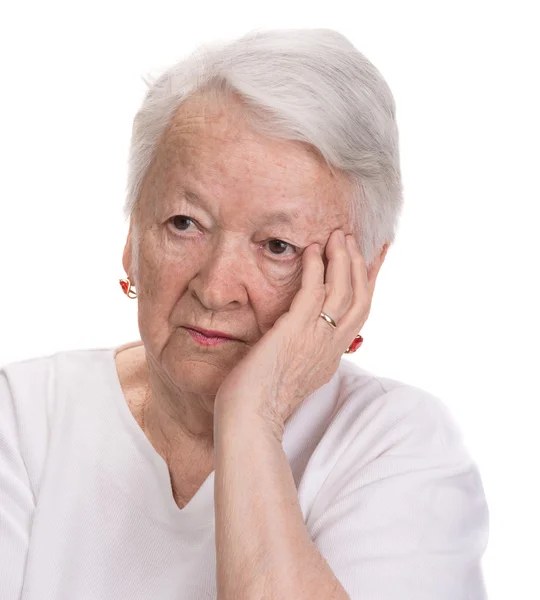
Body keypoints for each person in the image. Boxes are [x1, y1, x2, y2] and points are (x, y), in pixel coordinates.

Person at [0, 27, 489, 600]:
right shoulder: (25, 419)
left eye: (277, 246)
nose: (215, 288)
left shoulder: (401, 449)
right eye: (185, 223)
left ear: (361, 274)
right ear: (134, 233)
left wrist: (250, 416)